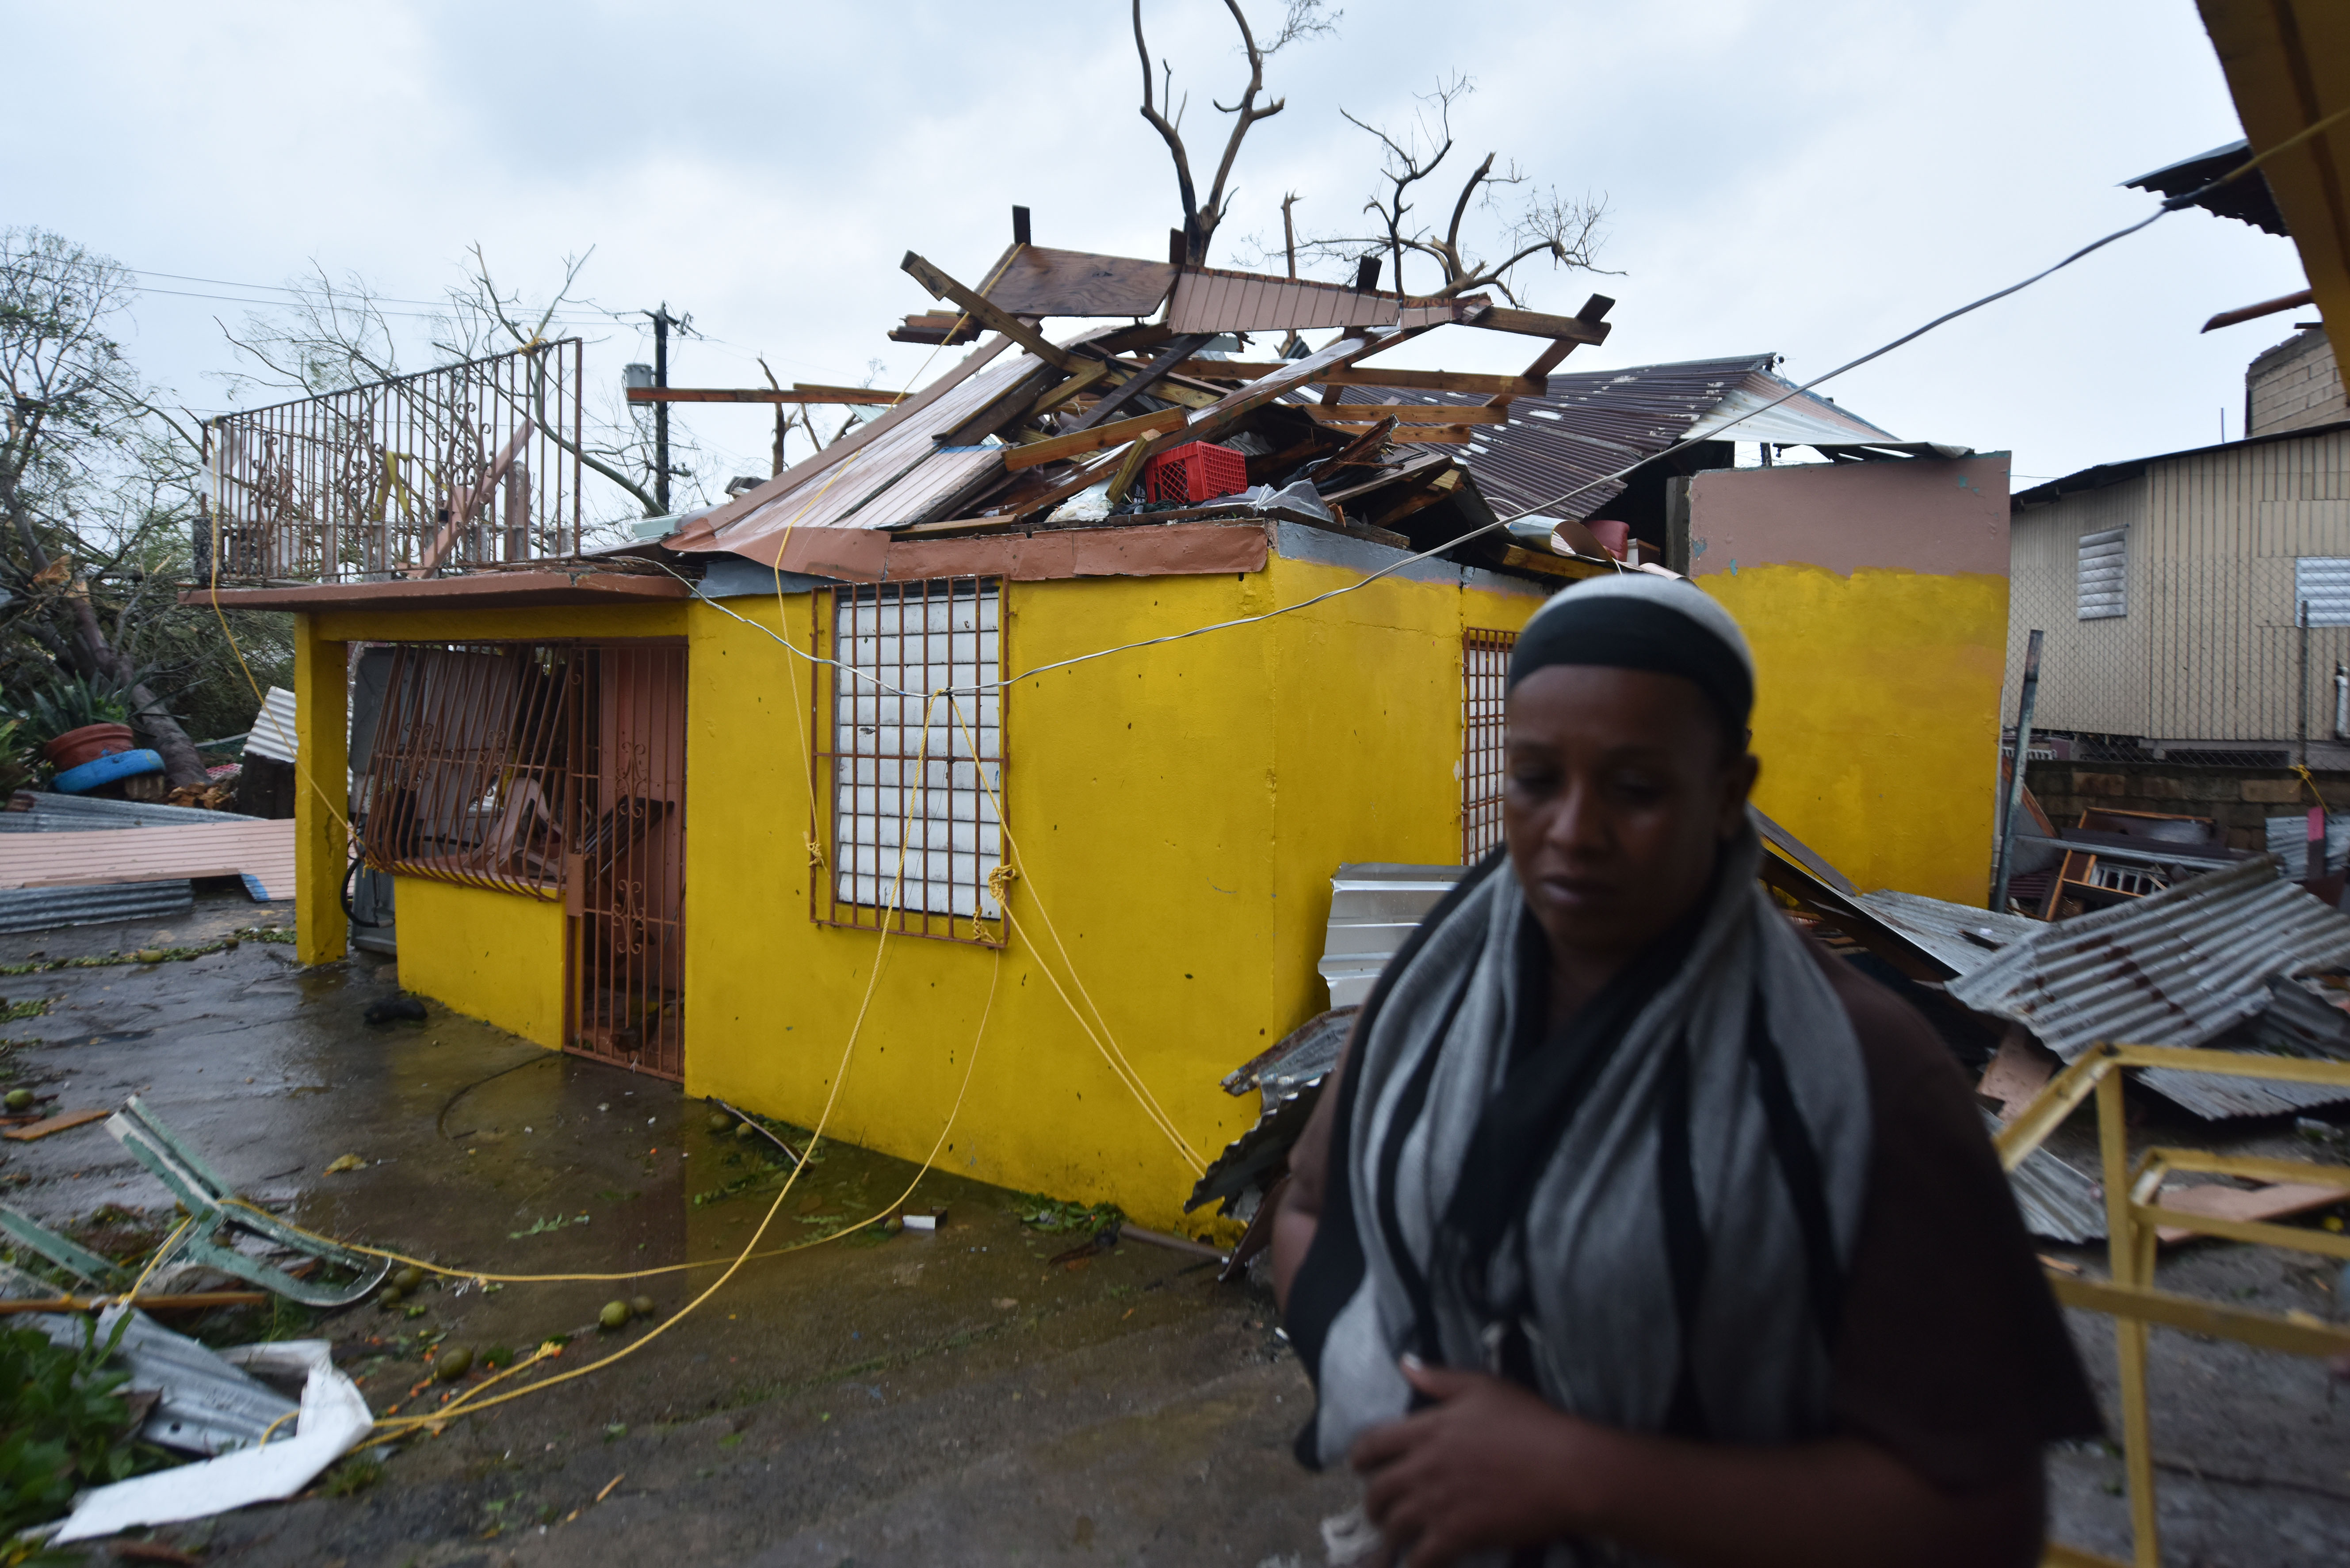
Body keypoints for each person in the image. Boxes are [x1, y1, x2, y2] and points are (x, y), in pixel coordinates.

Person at [1271, 574, 2100, 1568]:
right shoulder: (1430, 991)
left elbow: (1979, 1510)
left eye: (1636, 788)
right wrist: (1395, 1414)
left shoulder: (1861, 1079)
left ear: (1727, 792)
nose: (1574, 830)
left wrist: (1578, 1474)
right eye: (1536, 779)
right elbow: (1314, 1211)